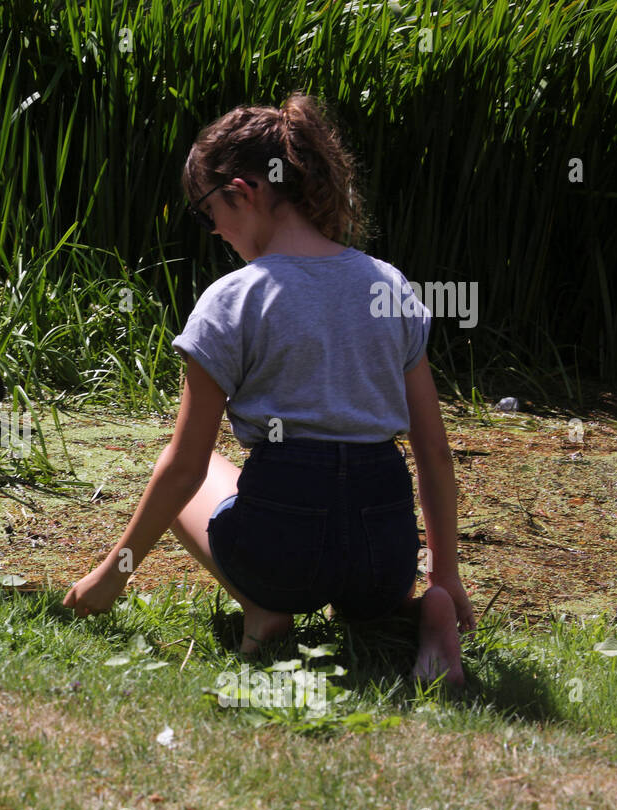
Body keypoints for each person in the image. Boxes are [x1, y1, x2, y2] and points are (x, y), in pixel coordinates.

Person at [62, 93, 474, 687]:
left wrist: (110, 576)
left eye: (208, 213)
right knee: (365, 577)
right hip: (382, 557)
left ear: (243, 190)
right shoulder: (389, 286)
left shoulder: (233, 299)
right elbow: (433, 451)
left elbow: (186, 467)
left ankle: (265, 609)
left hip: (281, 552)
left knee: (182, 468)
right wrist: (446, 575)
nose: (215, 231)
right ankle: (420, 609)